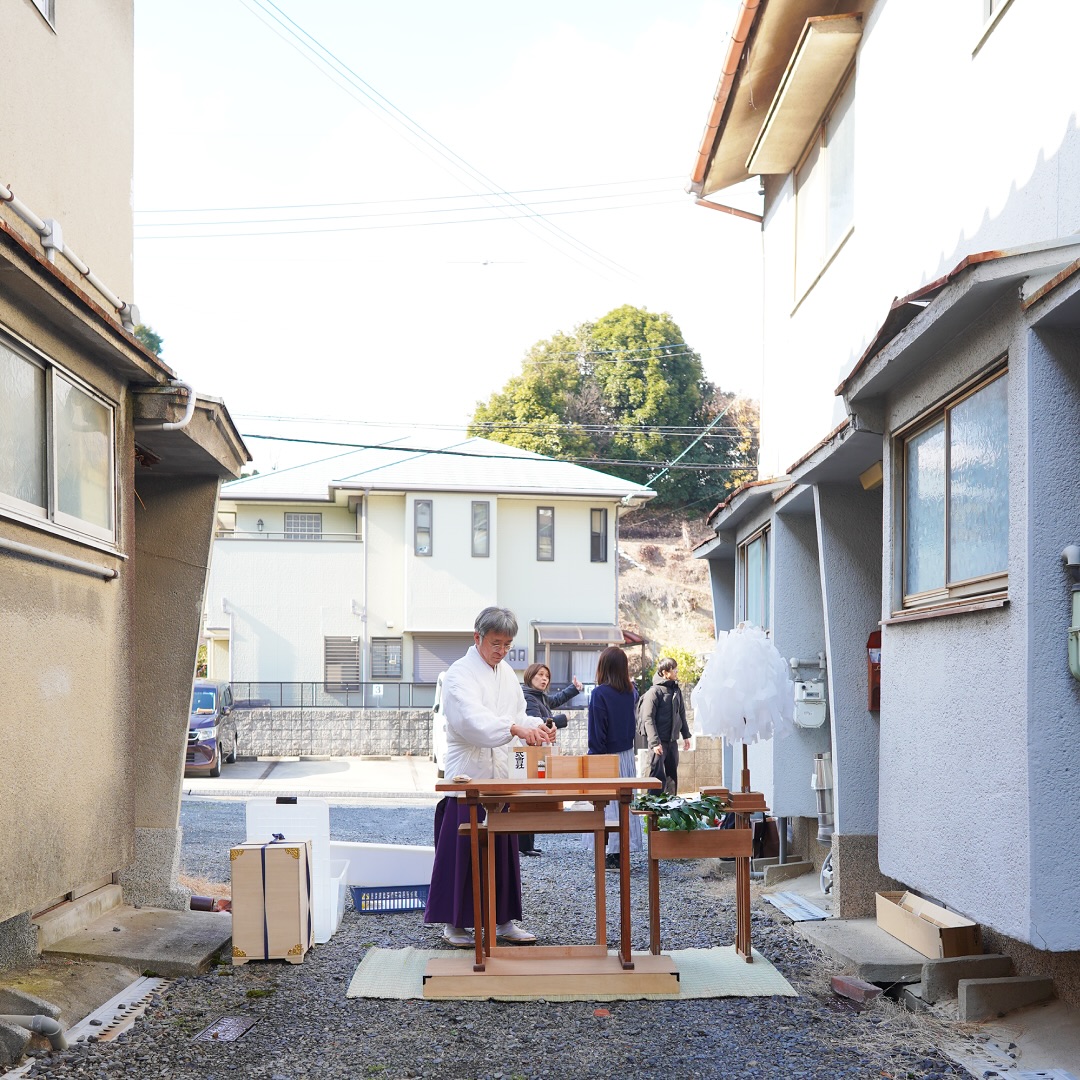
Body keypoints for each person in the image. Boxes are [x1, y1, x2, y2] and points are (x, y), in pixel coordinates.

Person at [423, 607, 555, 948]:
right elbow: (471, 721)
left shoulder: (507, 673)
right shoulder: (458, 674)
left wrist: (536, 728)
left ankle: (503, 920)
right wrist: (514, 728)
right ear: (477, 637)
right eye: (496, 643)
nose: (501, 651)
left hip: (500, 777)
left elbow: (518, 714)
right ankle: (454, 924)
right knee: (462, 853)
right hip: (467, 775)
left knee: (502, 852)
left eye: (507, 645)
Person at [587, 645, 644, 869]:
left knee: (606, 805)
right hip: (627, 755)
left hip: (606, 756)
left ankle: (611, 852)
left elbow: (597, 732)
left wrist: (594, 758)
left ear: (603, 666)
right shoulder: (632, 692)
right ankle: (622, 850)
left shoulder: (599, 694)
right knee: (624, 803)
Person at [518, 664, 583, 856]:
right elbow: (537, 724)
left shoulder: (539, 696)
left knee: (532, 797)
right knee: (528, 798)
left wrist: (573, 689)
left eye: (547, 676)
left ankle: (527, 844)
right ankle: (524, 844)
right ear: (530, 676)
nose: (544, 679)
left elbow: (555, 700)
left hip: (538, 752)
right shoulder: (528, 697)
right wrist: (563, 719)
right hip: (531, 753)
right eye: (540, 675)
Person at [638, 657, 691, 796]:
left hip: (672, 741)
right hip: (659, 742)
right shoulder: (654, 692)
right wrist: (655, 742)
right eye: (674, 669)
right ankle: (653, 808)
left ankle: (671, 806)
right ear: (665, 672)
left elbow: (681, 714)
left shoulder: (676, 690)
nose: (677, 671)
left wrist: (686, 736)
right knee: (657, 777)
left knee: (672, 777)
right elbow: (648, 719)